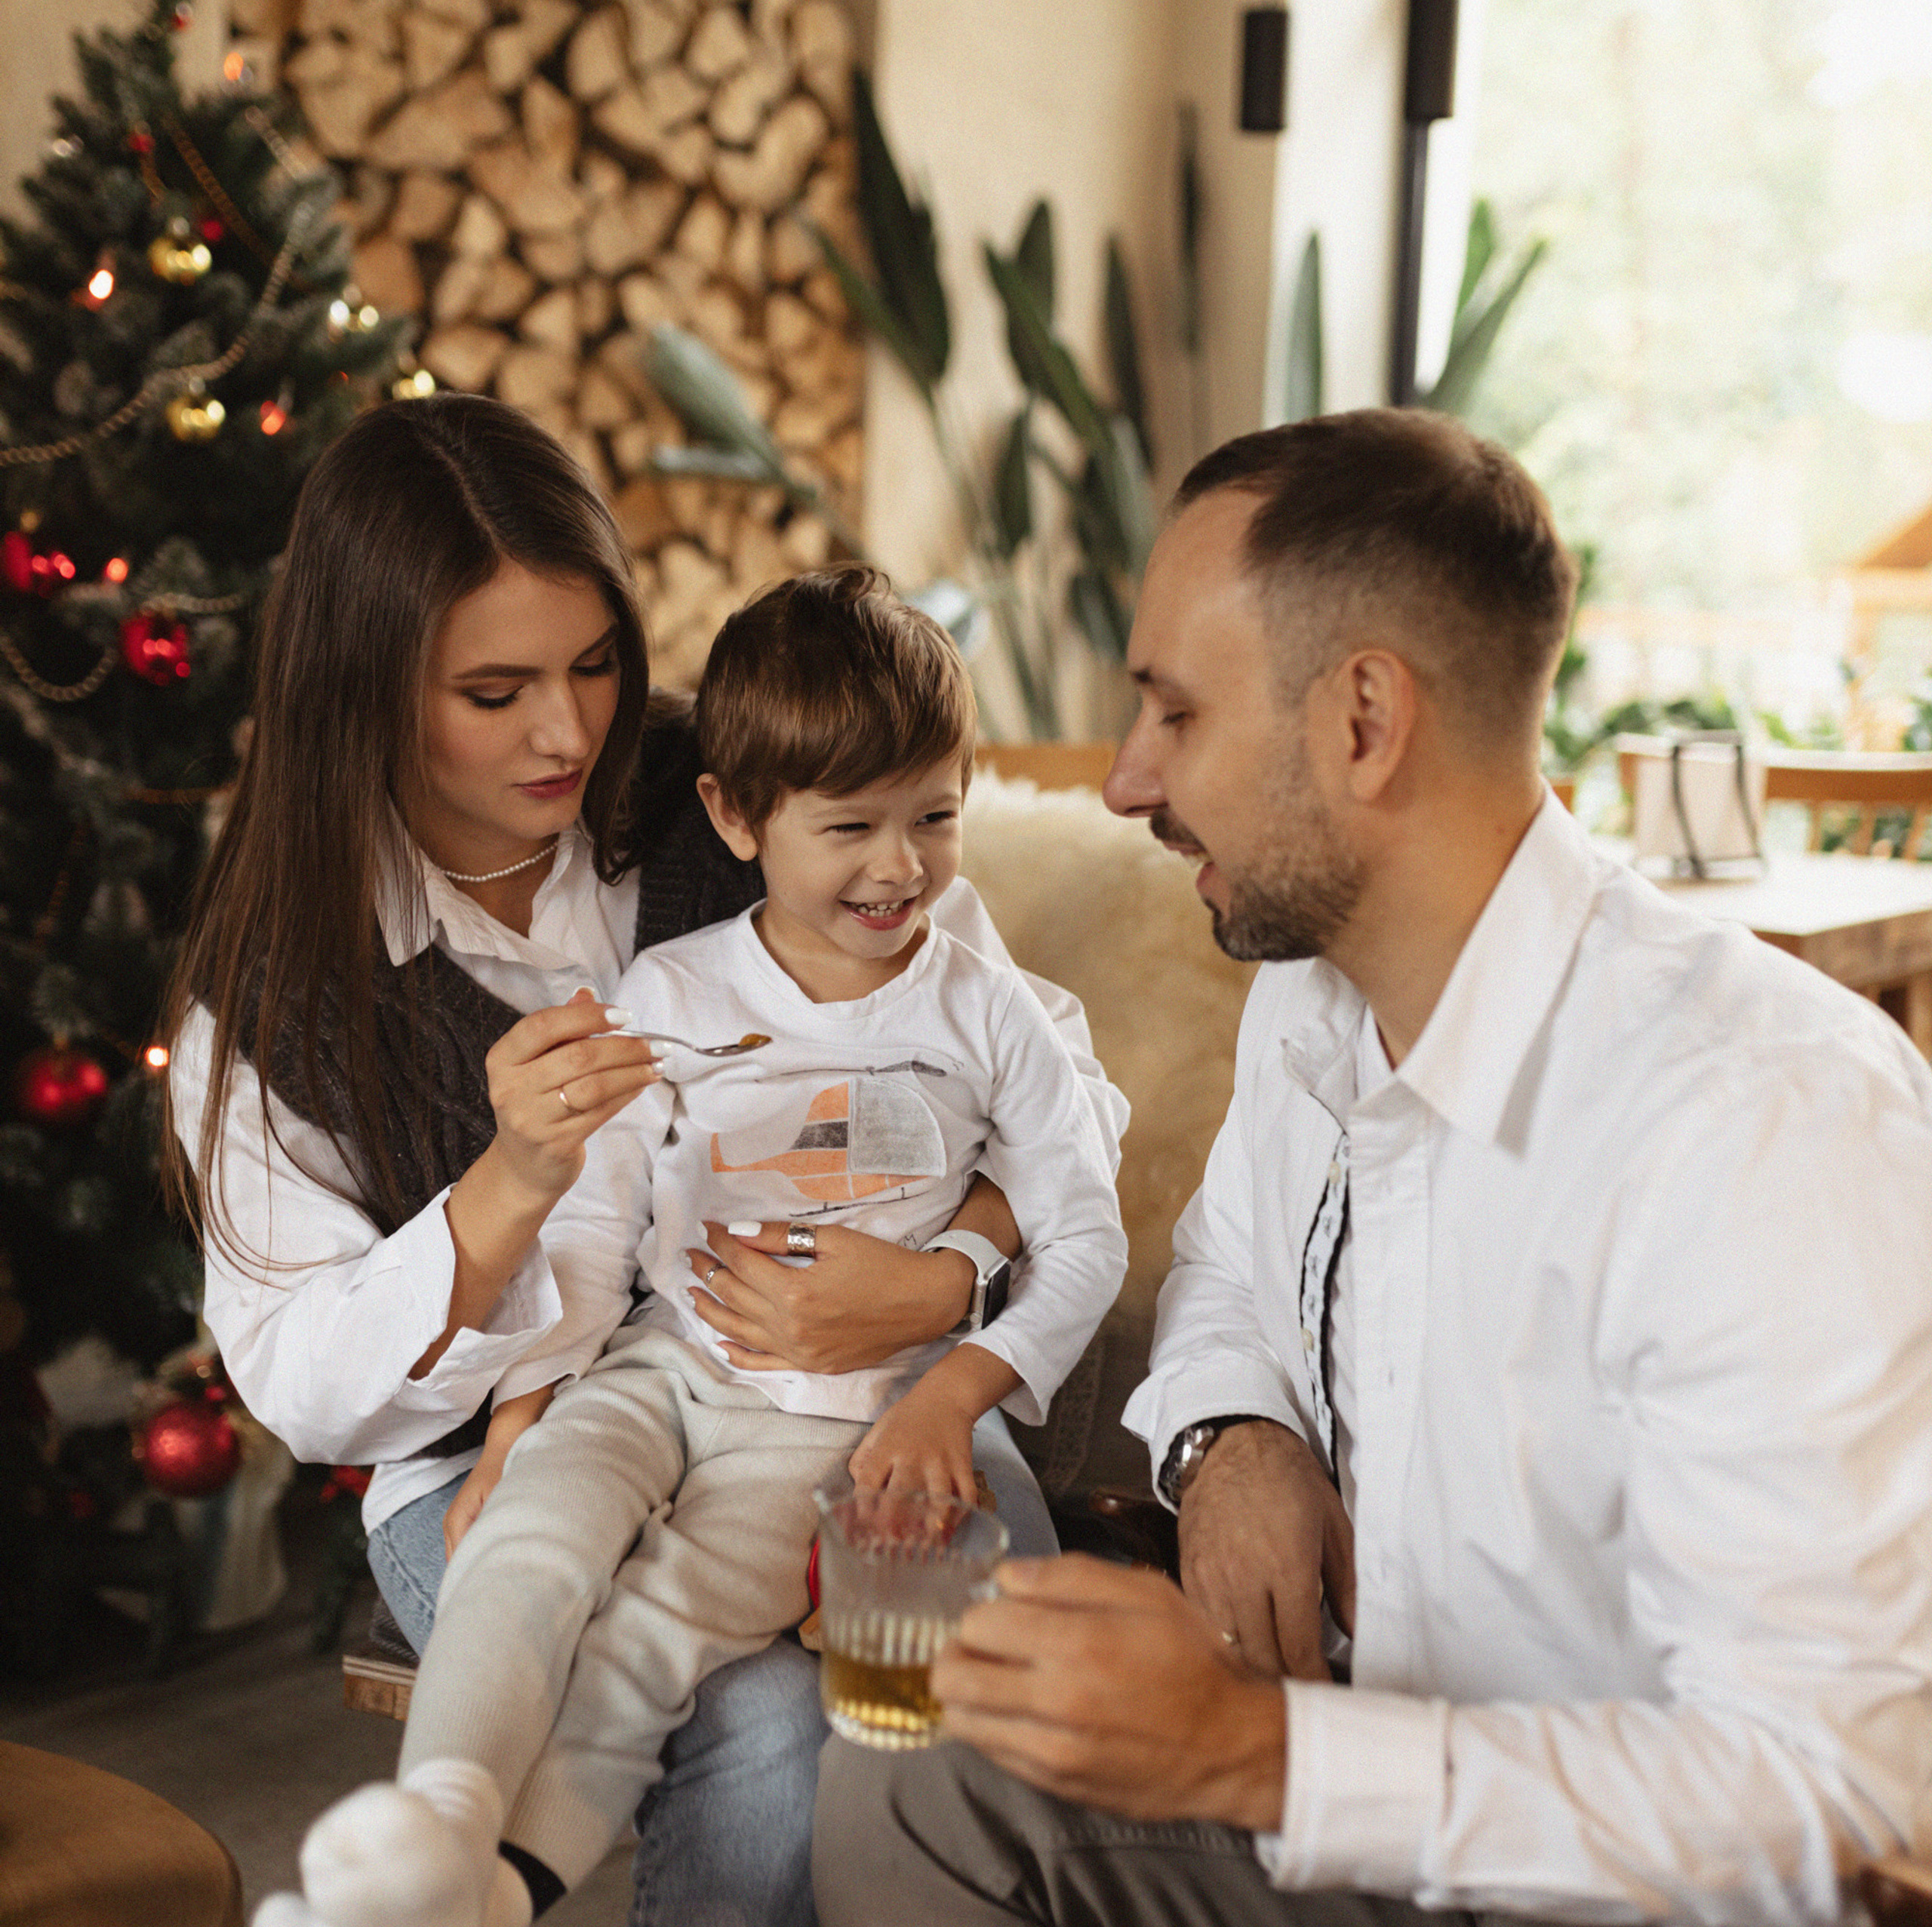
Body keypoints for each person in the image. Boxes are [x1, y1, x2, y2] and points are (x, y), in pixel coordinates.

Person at [812, 408, 1932, 1926]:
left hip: (1620, 1883)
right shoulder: (1311, 991)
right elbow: (1223, 1267)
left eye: (1174, 713)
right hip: (1364, 1807)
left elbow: (1828, 1803)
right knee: (921, 1765)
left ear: (1360, 718)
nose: (1128, 780)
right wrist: (1228, 1435)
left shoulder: (1767, 1127)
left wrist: (1261, 1754)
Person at [161, 395, 1125, 1927]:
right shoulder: (284, 974)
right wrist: (507, 1192)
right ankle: (436, 1865)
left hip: (845, 1403)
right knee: (735, 1707)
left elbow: (1041, 1077)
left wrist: (940, 1276)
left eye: (594, 661)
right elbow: (301, 1380)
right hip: (486, 1449)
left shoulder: (749, 780)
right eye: (493, 689)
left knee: (843, 1719)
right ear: (365, 690)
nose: (568, 730)